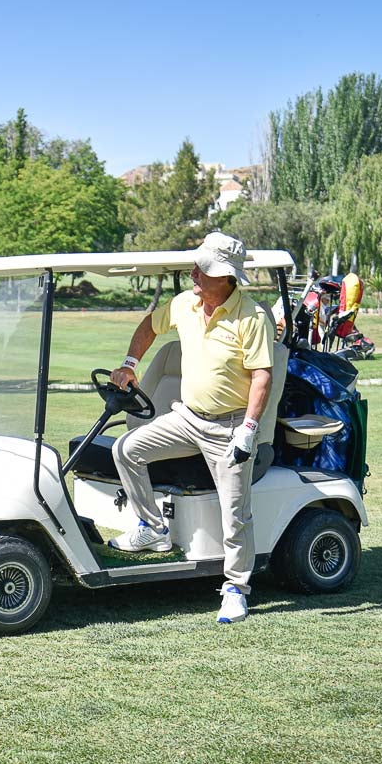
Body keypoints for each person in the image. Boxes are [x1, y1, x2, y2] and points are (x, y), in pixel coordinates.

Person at [108, 232, 273, 624]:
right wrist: (130, 364)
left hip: (230, 426)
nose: (195, 273)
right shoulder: (185, 303)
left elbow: (262, 377)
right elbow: (150, 325)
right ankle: (152, 527)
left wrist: (248, 429)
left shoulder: (251, 317)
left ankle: (235, 590)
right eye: (197, 265)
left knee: (236, 514)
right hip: (187, 417)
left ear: (227, 278)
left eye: (205, 269)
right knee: (125, 450)